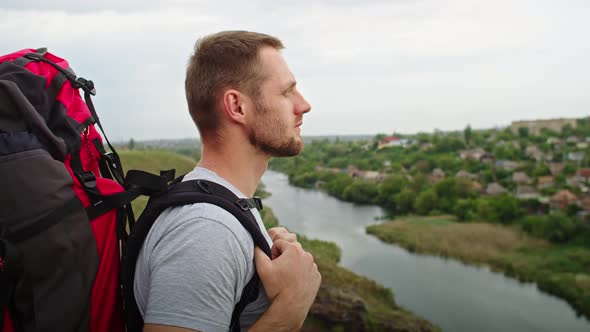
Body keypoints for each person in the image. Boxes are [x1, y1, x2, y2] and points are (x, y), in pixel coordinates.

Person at [133, 30, 320, 332]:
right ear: (237, 107)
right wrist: (292, 306)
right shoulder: (206, 229)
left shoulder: (223, 210)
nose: (304, 105)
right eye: (286, 92)